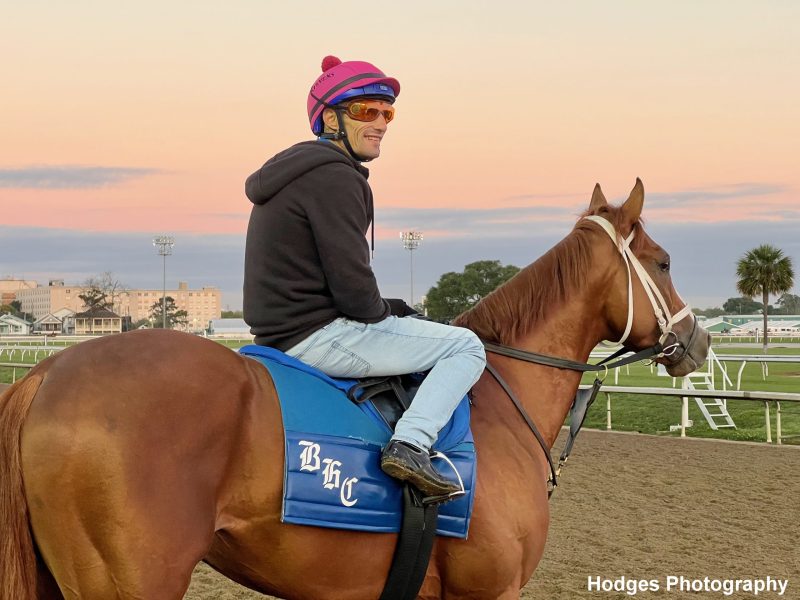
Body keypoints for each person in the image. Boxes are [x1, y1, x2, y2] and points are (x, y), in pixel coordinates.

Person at [243, 56, 486, 497]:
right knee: (466, 346)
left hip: (279, 334)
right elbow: (355, 294)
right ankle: (411, 445)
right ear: (329, 118)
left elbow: (338, 282)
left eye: (386, 112)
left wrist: (392, 308)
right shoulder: (337, 177)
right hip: (319, 336)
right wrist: (386, 310)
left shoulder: (294, 175)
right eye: (363, 111)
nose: (379, 123)